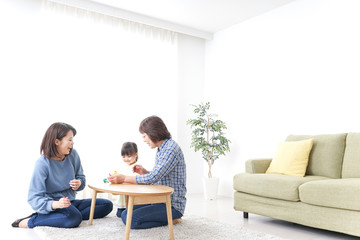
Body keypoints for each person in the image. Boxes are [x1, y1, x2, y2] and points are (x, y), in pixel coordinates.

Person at [12, 122, 113, 228]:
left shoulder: (73, 155)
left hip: (69, 202)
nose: (72, 143)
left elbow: (81, 178)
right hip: (54, 204)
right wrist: (54, 204)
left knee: (106, 205)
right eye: (69, 140)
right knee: (73, 219)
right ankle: (32, 221)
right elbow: (34, 198)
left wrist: (79, 183)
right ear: (57, 141)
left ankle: (60, 216)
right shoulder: (42, 164)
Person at [108, 116, 187, 229]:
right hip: (159, 200)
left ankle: (172, 219)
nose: (144, 140)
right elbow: (158, 175)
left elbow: (153, 177)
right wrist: (145, 172)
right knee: (125, 213)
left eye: (144, 136)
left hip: (172, 205)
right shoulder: (162, 149)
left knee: (131, 220)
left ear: (153, 133)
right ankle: (167, 218)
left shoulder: (170, 149)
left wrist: (124, 178)